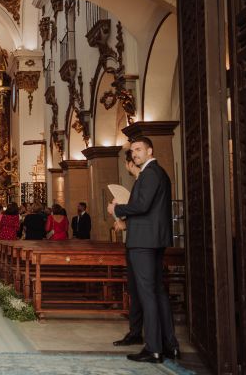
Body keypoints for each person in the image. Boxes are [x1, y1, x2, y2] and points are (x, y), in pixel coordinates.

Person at [108, 137, 179, 363]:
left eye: (139, 149)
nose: (135, 154)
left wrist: (116, 209)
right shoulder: (159, 173)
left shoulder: (149, 173)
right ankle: (170, 345)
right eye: (133, 151)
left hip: (143, 242)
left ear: (150, 150)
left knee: (148, 294)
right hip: (154, 239)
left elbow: (141, 205)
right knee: (158, 292)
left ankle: (154, 348)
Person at [112, 148, 144, 349]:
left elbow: (142, 210)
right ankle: (137, 332)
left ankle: (150, 338)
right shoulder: (141, 181)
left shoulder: (147, 179)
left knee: (144, 291)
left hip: (142, 243)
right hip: (138, 242)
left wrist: (117, 211)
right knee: (138, 290)